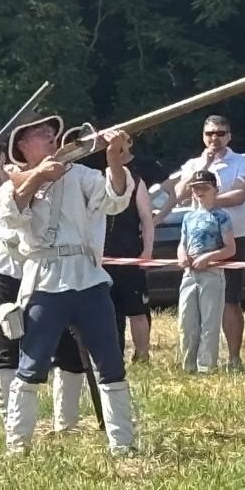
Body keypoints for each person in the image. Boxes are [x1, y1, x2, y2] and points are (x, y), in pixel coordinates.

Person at [0, 114, 137, 456]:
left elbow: (114, 200)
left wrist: (114, 161)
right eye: (40, 134)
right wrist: (38, 177)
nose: (50, 137)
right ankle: (18, 446)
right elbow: (10, 217)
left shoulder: (81, 174)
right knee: (32, 364)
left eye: (51, 133)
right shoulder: (12, 186)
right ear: (22, 146)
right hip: (44, 279)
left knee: (110, 362)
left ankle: (123, 444)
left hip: (87, 277)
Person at [155, 115, 245, 370]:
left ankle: (233, 358)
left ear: (229, 136)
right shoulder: (193, 164)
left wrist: (208, 201)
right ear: (203, 136)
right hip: (196, 242)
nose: (215, 138)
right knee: (194, 304)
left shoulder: (241, 162)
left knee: (230, 299)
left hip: (231, 237)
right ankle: (194, 360)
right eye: (210, 133)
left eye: (220, 133)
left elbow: (240, 194)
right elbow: (177, 193)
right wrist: (204, 166)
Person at [177, 170, 237, 373]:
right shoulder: (188, 217)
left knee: (210, 322)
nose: (200, 192)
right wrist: (182, 255)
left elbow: (230, 248)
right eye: (196, 188)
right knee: (187, 321)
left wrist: (208, 258)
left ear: (215, 190)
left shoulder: (221, 217)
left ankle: (206, 366)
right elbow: (183, 243)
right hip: (189, 274)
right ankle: (188, 366)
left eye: (204, 188)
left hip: (212, 274)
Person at [102, 150, 157, 364]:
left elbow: (146, 218)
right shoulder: (96, 179)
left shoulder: (136, 181)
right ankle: (114, 355)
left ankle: (142, 356)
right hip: (102, 258)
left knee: (137, 310)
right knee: (108, 311)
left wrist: (147, 251)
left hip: (131, 255)